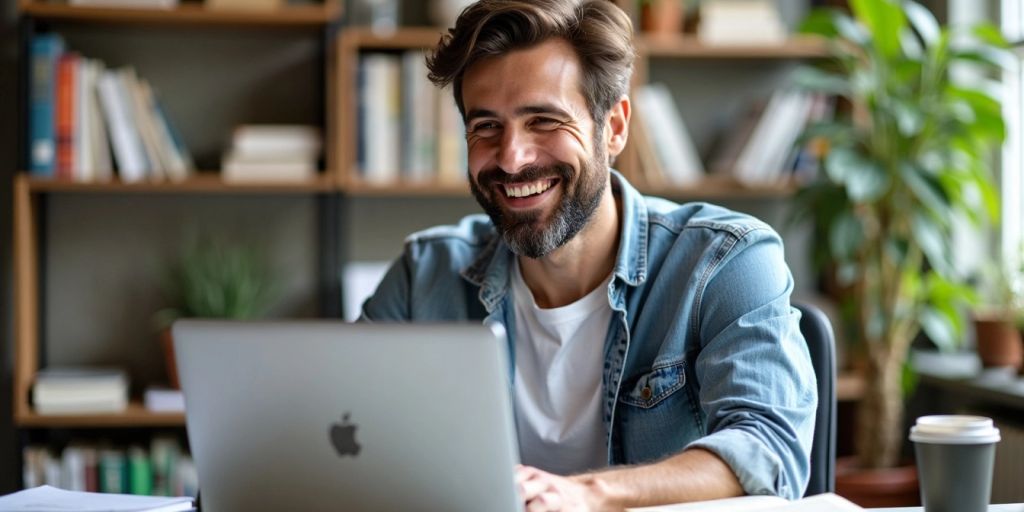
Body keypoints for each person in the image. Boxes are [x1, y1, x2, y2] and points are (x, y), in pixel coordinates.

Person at [360, 1, 817, 510]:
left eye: (544, 120)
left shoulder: (724, 262)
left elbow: (768, 450)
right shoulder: (424, 275)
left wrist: (587, 494)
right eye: (486, 126)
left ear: (614, 127)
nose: (512, 157)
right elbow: (337, 430)